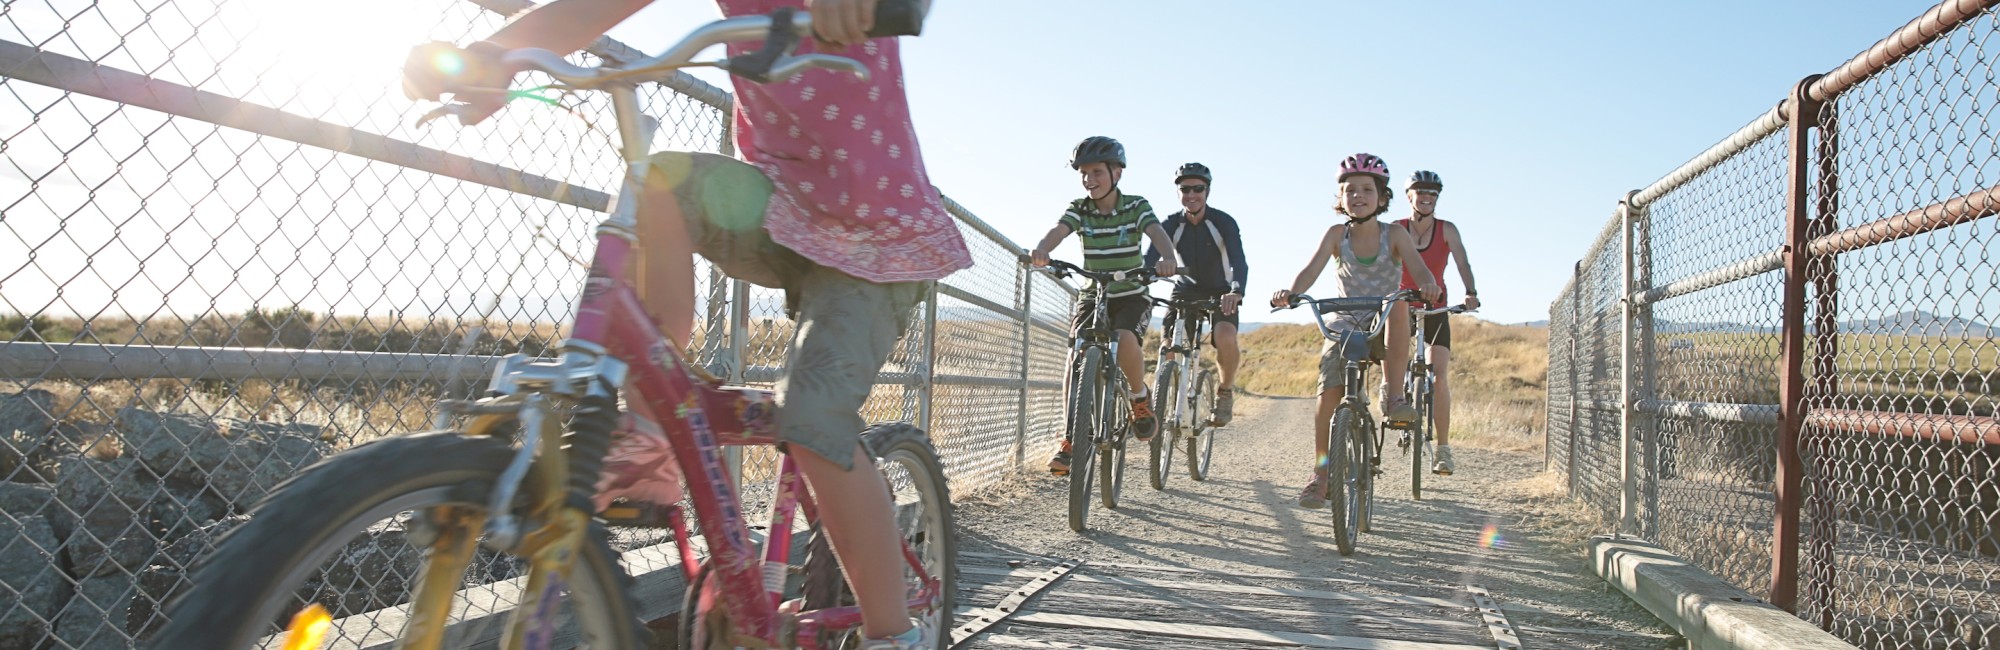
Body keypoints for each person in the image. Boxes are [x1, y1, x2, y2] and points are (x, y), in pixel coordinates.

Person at [402, 1, 963, 646]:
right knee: (657, 180)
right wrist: (490, 55)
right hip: (782, 208)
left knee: (811, 417)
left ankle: (894, 634)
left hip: (880, 233)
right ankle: (651, 424)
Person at [1268, 153, 1439, 510]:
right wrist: (1290, 293)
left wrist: (1428, 285)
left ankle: (1395, 397)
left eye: (1366, 189)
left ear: (1382, 197)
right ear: (1341, 198)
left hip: (1385, 319)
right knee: (1329, 393)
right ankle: (1321, 474)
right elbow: (1310, 271)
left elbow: (1420, 270)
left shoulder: (1395, 235)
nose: (1358, 196)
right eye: (1350, 190)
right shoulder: (1336, 235)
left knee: (1398, 302)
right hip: (1345, 321)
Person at [1028, 136, 1179, 476]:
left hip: (1131, 293)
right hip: (1093, 294)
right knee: (1075, 353)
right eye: (1083, 173)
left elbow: (1156, 232)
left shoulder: (1135, 206)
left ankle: (1139, 398)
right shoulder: (1079, 208)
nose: (1089, 179)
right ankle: (1071, 437)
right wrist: (1042, 249)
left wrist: (1168, 258)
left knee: (1124, 339)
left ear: (1116, 173)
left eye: (1096, 172)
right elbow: (1059, 230)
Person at [1145, 162, 1247, 426]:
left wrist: (1236, 291)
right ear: (1178, 192)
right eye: (1185, 189)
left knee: (1225, 336)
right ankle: (1166, 398)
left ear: (1207, 191)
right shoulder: (1170, 224)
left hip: (1221, 290)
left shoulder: (1223, 222)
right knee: (1168, 345)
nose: (1191, 194)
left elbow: (1238, 261)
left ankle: (1225, 392)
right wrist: (1148, 274)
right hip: (1185, 290)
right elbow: (1149, 260)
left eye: (1198, 189)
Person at [1394, 170, 1480, 476]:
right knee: (1393, 356)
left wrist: (1470, 292)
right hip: (1401, 305)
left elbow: (1462, 262)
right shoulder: (1396, 229)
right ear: (1409, 197)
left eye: (1433, 194)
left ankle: (1443, 449)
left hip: (1435, 308)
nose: (1427, 198)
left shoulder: (1447, 230)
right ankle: (1392, 394)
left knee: (1440, 374)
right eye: (1421, 193)